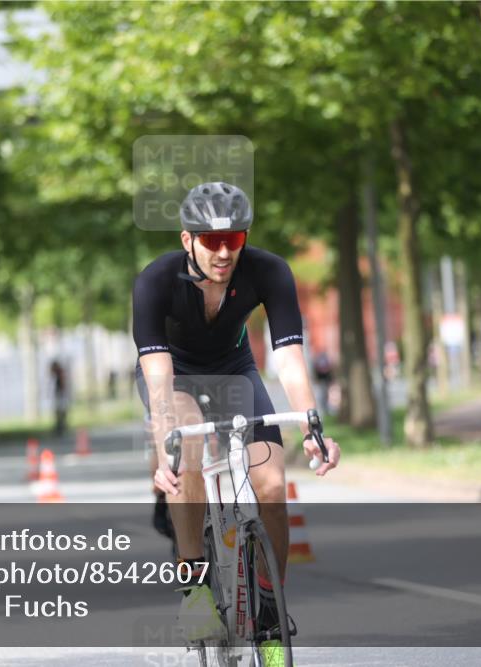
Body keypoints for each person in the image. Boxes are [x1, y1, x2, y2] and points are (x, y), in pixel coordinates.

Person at [133, 182, 341, 663]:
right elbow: (158, 374)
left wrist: (312, 426)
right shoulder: (155, 280)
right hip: (175, 375)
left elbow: (288, 356)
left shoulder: (269, 270)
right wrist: (164, 436)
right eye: (211, 241)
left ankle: (270, 614)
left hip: (235, 370)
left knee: (270, 484)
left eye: (235, 240)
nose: (224, 252)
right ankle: (194, 587)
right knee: (184, 446)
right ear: (187, 240)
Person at [49, 359, 69, 436]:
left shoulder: (60, 374)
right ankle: (60, 427)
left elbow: (62, 385)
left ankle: (61, 428)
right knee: (59, 413)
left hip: (61, 395)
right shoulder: (56, 375)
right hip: (59, 395)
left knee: (60, 412)